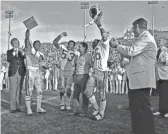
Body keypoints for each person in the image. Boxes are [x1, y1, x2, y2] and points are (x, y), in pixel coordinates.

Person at [110, 18, 157, 134]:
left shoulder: (146, 37)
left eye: (133, 28)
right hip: (137, 82)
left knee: (143, 112)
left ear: (137, 26)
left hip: (142, 82)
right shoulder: (142, 38)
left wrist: (117, 46)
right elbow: (134, 56)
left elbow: (131, 51)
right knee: (137, 112)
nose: (132, 31)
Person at [84, 11, 111, 121]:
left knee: (101, 94)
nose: (94, 41)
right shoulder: (96, 47)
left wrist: (99, 24)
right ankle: (96, 107)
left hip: (102, 72)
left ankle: (101, 113)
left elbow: (104, 36)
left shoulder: (104, 45)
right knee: (88, 91)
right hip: (94, 72)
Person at [24, 29, 46, 115]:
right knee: (29, 90)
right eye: (36, 44)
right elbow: (26, 39)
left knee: (40, 90)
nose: (38, 45)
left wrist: (43, 65)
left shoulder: (41, 54)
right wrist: (28, 30)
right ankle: (29, 108)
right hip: (30, 71)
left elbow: (44, 64)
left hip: (37, 72)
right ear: (33, 44)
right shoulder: (29, 49)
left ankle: (38, 107)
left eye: (39, 44)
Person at [70, 42, 92, 116]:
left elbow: (92, 65)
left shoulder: (88, 55)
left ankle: (84, 111)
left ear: (84, 47)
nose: (78, 48)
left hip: (84, 76)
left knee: (84, 95)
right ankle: (76, 110)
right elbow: (75, 65)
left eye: (80, 47)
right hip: (77, 76)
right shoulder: (78, 55)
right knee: (75, 94)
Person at [58, 40, 80, 111]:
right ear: (68, 44)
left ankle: (67, 103)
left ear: (74, 46)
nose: (71, 45)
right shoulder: (63, 49)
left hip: (70, 72)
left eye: (72, 44)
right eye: (70, 44)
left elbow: (76, 63)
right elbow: (55, 43)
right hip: (62, 71)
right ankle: (62, 104)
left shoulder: (76, 53)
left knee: (69, 89)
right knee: (62, 88)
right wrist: (61, 35)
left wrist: (76, 72)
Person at [7, 38, 26, 113]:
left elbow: (25, 57)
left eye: (17, 42)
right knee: (13, 90)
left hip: (21, 72)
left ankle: (18, 107)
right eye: (14, 43)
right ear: (12, 44)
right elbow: (9, 59)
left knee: (19, 90)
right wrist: (14, 53)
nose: (16, 44)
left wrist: (23, 52)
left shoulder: (22, 51)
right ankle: (13, 108)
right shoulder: (9, 51)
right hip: (13, 72)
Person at [153, 38, 168, 118]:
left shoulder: (166, 50)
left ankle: (167, 111)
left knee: (166, 94)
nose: (158, 42)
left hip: (165, 75)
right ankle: (161, 110)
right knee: (161, 94)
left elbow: (166, 61)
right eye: (158, 41)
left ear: (164, 42)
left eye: (159, 41)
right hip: (159, 75)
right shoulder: (158, 50)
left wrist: (164, 60)